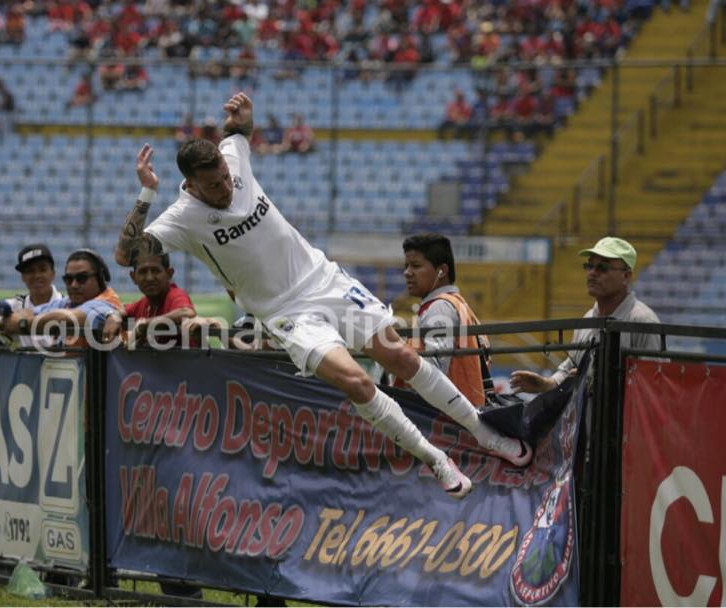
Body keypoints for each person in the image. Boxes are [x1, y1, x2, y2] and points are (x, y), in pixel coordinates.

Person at [114, 92, 532, 500]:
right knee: (355, 380)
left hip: (324, 280)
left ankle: (483, 432)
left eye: (225, 176)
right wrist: (147, 192)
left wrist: (243, 114)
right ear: (190, 184)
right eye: (214, 184)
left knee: (401, 356)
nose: (225, 186)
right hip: (284, 313)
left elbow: (239, 130)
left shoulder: (234, 160)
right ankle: (435, 458)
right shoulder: (181, 218)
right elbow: (124, 254)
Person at [510, 237, 662, 394]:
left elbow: (653, 385)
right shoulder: (588, 319)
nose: (592, 273)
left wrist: (597, 380)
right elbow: (571, 368)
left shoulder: (642, 320)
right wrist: (547, 384)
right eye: (589, 266)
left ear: (626, 276)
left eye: (602, 267)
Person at [397, 234, 492, 407]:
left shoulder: (439, 308)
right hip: (461, 415)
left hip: (443, 419)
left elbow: (434, 374)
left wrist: (395, 357)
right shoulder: (457, 303)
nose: (407, 272)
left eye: (416, 266)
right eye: (406, 266)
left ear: (442, 271)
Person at [101, 252, 197, 348]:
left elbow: (187, 312)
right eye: (143, 271)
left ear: (169, 273)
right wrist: (114, 316)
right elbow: (124, 309)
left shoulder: (175, 294)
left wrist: (146, 324)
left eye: (155, 271)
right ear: (133, 277)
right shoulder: (143, 303)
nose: (149, 278)